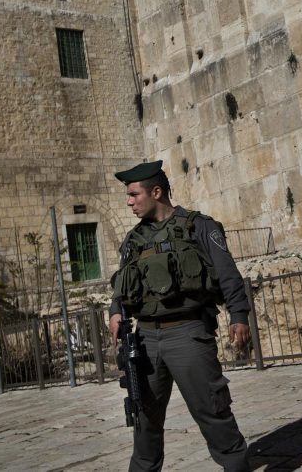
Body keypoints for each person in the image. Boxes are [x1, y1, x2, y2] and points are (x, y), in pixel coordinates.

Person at [108, 160, 250, 472]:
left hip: (188, 333)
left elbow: (228, 275)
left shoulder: (200, 226)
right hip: (144, 341)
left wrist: (239, 315)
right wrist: (115, 312)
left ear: (156, 192)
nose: (129, 202)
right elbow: (122, 284)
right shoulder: (133, 240)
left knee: (213, 413)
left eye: (134, 195)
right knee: (144, 422)